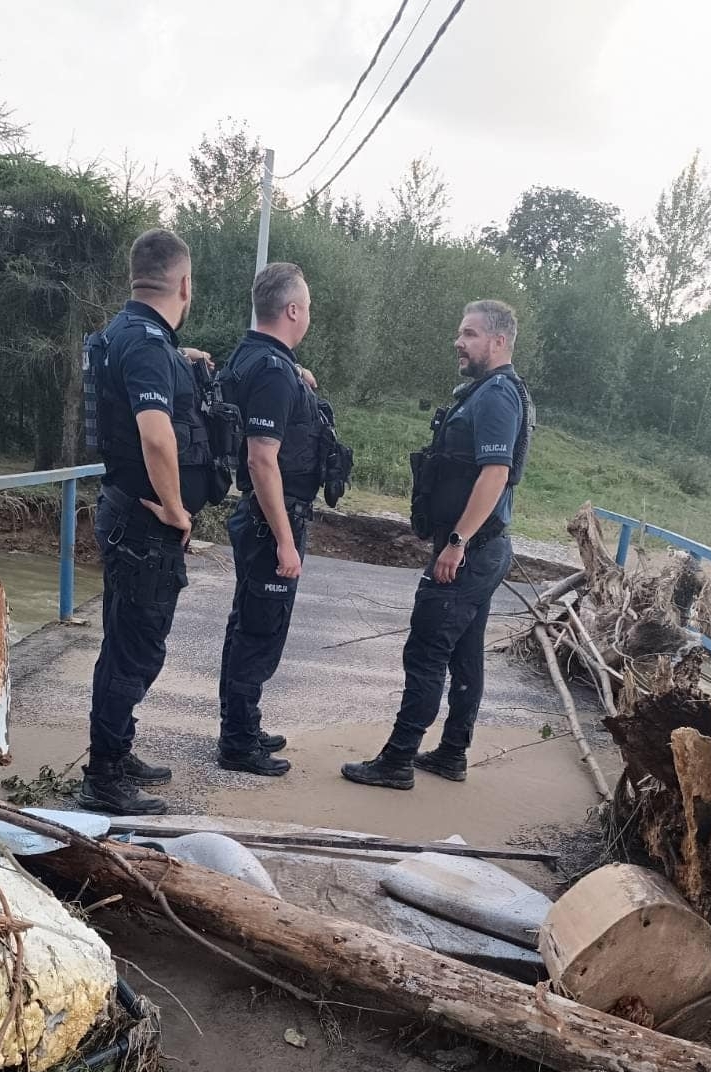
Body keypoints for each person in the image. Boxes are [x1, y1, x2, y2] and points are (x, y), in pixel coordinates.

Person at [341, 299, 534, 790]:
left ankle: (397, 761)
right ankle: (452, 754)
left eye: (469, 334)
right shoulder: (491, 392)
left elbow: (496, 473)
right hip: (483, 548)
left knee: (426, 652)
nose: (459, 341)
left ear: (498, 341)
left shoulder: (495, 396)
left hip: (470, 549)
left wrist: (456, 541)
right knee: (465, 652)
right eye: (460, 333)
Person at [81, 227, 221, 815]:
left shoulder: (128, 334)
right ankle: (106, 776)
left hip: (120, 511)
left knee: (123, 642)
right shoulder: (145, 344)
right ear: (185, 283)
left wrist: (178, 357)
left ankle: (116, 748)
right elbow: (155, 435)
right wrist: (175, 508)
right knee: (137, 649)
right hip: (144, 524)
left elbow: (138, 372)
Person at [217, 262, 329, 776]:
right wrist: (286, 540)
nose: (308, 315)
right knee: (260, 631)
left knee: (248, 625)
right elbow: (263, 458)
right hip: (270, 523)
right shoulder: (272, 371)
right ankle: (239, 743)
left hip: (259, 519)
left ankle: (243, 724)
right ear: (292, 310)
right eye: (306, 307)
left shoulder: (253, 358)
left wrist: (296, 377)